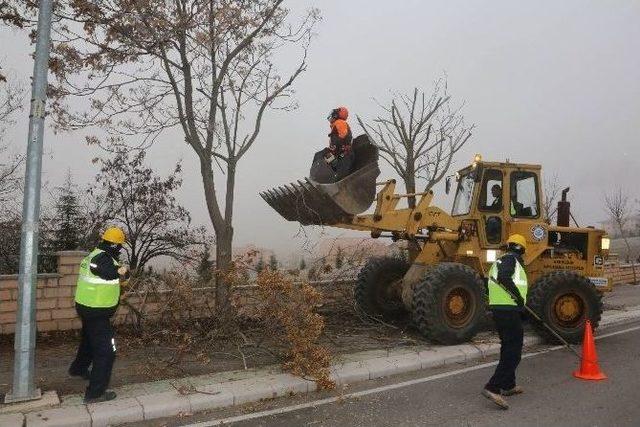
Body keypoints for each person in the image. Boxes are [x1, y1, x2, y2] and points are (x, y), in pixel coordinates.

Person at [69, 226, 129, 403]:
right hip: (96, 311)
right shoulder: (100, 258)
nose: (120, 249)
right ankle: (95, 393)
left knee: (89, 340)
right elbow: (105, 271)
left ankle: (78, 369)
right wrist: (120, 272)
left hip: (88, 308)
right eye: (119, 246)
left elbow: (110, 276)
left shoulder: (99, 255)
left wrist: (121, 279)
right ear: (115, 245)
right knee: (106, 352)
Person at [482, 234, 528, 410]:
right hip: (508, 310)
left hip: (501, 310)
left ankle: (508, 385)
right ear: (521, 249)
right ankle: (493, 387)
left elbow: (489, 283)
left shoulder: (498, 261)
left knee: (507, 346)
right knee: (514, 351)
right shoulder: (512, 260)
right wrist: (518, 299)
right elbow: (504, 277)